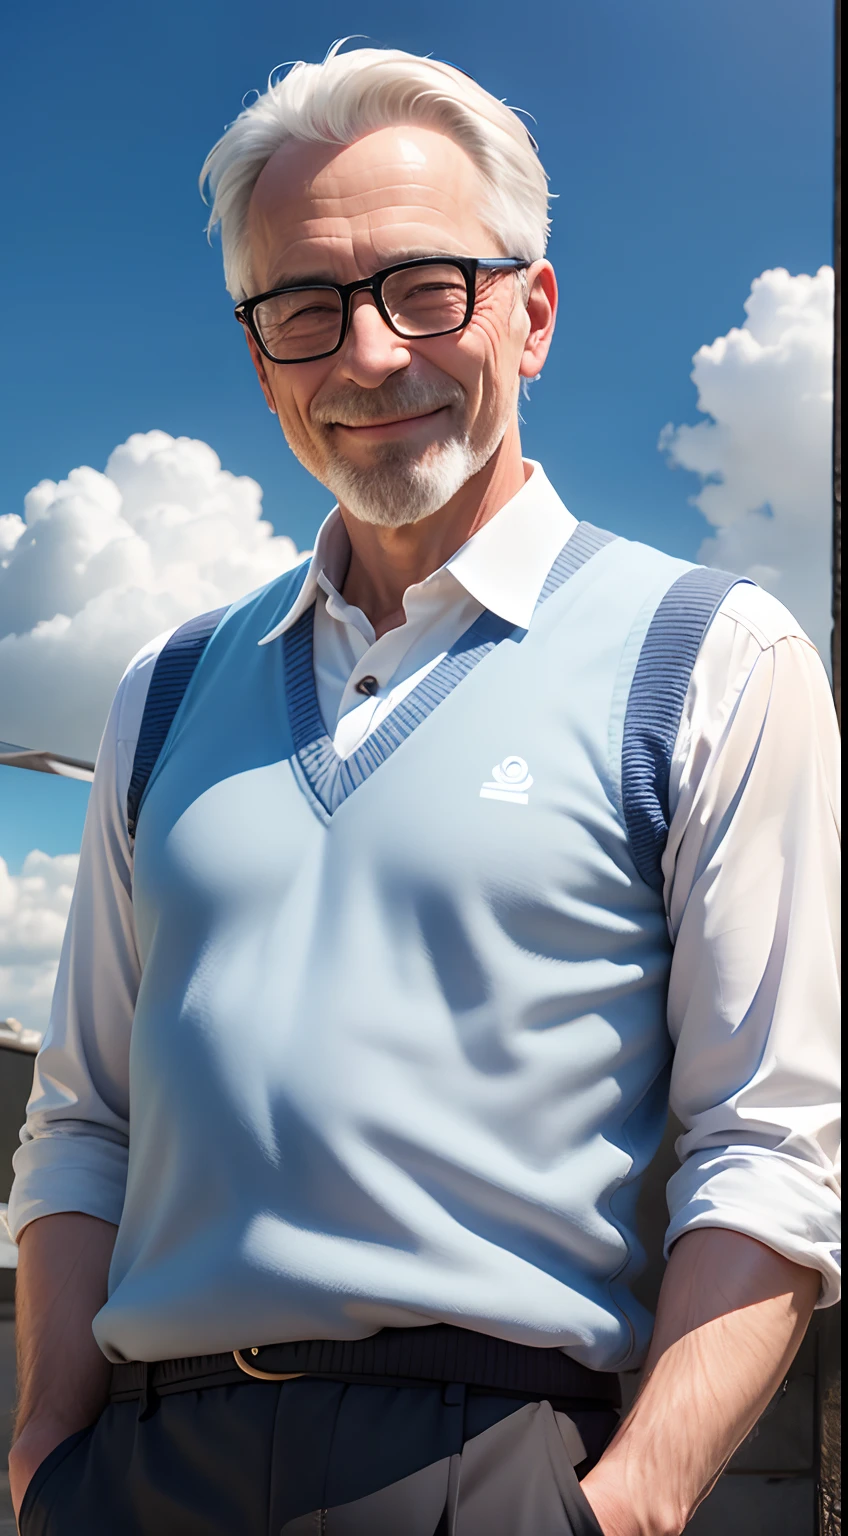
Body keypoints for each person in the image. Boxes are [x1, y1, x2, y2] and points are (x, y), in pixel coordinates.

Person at [7, 45, 840, 1536]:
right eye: (305, 307)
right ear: (262, 360)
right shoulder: (171, 689)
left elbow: (772, 1148)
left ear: (533, 311)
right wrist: (46, 1461)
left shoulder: (708, 658)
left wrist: (623, 1510)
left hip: (490, 1467)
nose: (370, 354)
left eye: (427, 286)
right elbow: (83, 1121)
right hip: (134, 1477)